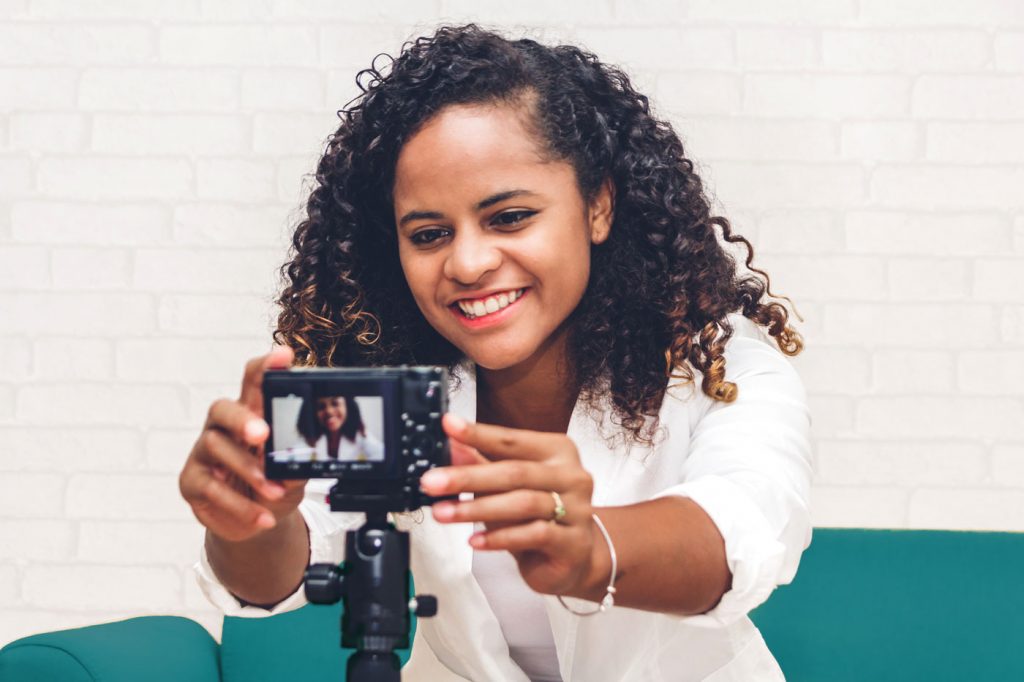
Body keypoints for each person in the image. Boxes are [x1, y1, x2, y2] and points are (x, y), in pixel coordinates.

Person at [179, 24, 812, 681]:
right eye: (428, 234)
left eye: (509, 217)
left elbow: (741, 532)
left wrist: (593, 547)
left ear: (598, 205)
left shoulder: (720, 366)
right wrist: (247, 518)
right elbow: (275, 572)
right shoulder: (393, 382)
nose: (469, 262)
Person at [310, 395, 384, 462]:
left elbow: (381, 454)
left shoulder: (360, 433)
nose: (329, 411)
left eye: (335, 403)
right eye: (321, 407)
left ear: (347, 406)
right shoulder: (308, 436)